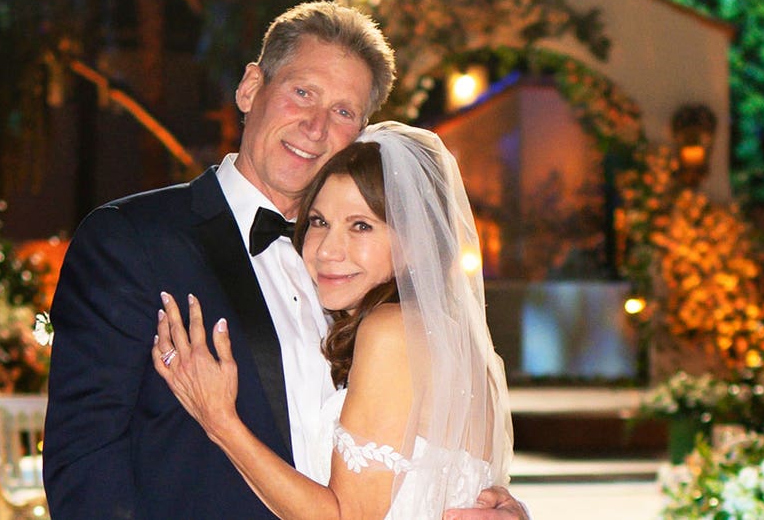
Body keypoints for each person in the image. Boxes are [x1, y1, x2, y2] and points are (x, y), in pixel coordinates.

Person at [43, 0, 528, 518]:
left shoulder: (363, 276)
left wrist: (499, 507)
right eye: (303, 93)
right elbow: (85, 460)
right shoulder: (131, 240)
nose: (316, 127)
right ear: (251, 88)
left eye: (343, 111)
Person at [153, 122, 513, 518]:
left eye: (361, 226)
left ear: (415, 243)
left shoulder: (391, 333)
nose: (327, 249)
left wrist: (219, 419)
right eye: (320, 222)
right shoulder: (445, 336)